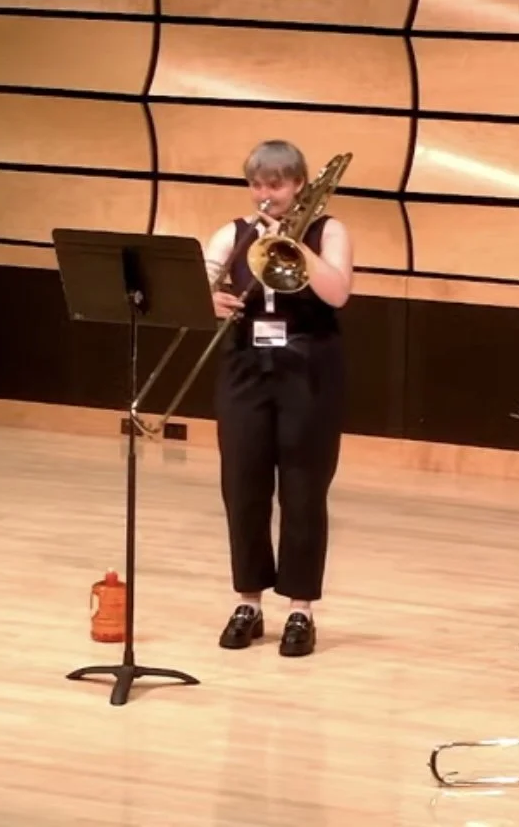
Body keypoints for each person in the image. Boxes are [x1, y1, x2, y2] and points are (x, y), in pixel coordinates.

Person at [200, 139, 354, 657]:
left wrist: (295, 243)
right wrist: (210, 299)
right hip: (246, 366)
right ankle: (248, 601)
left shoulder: (328, 230)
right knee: (241, 484)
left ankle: (300, 608)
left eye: (277, 184)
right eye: (258, 184)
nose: (266, 194)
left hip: (308, 368)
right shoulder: (233, 233)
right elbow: (196, 278)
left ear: (299, 186)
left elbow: (337, 292)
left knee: (304, 490)